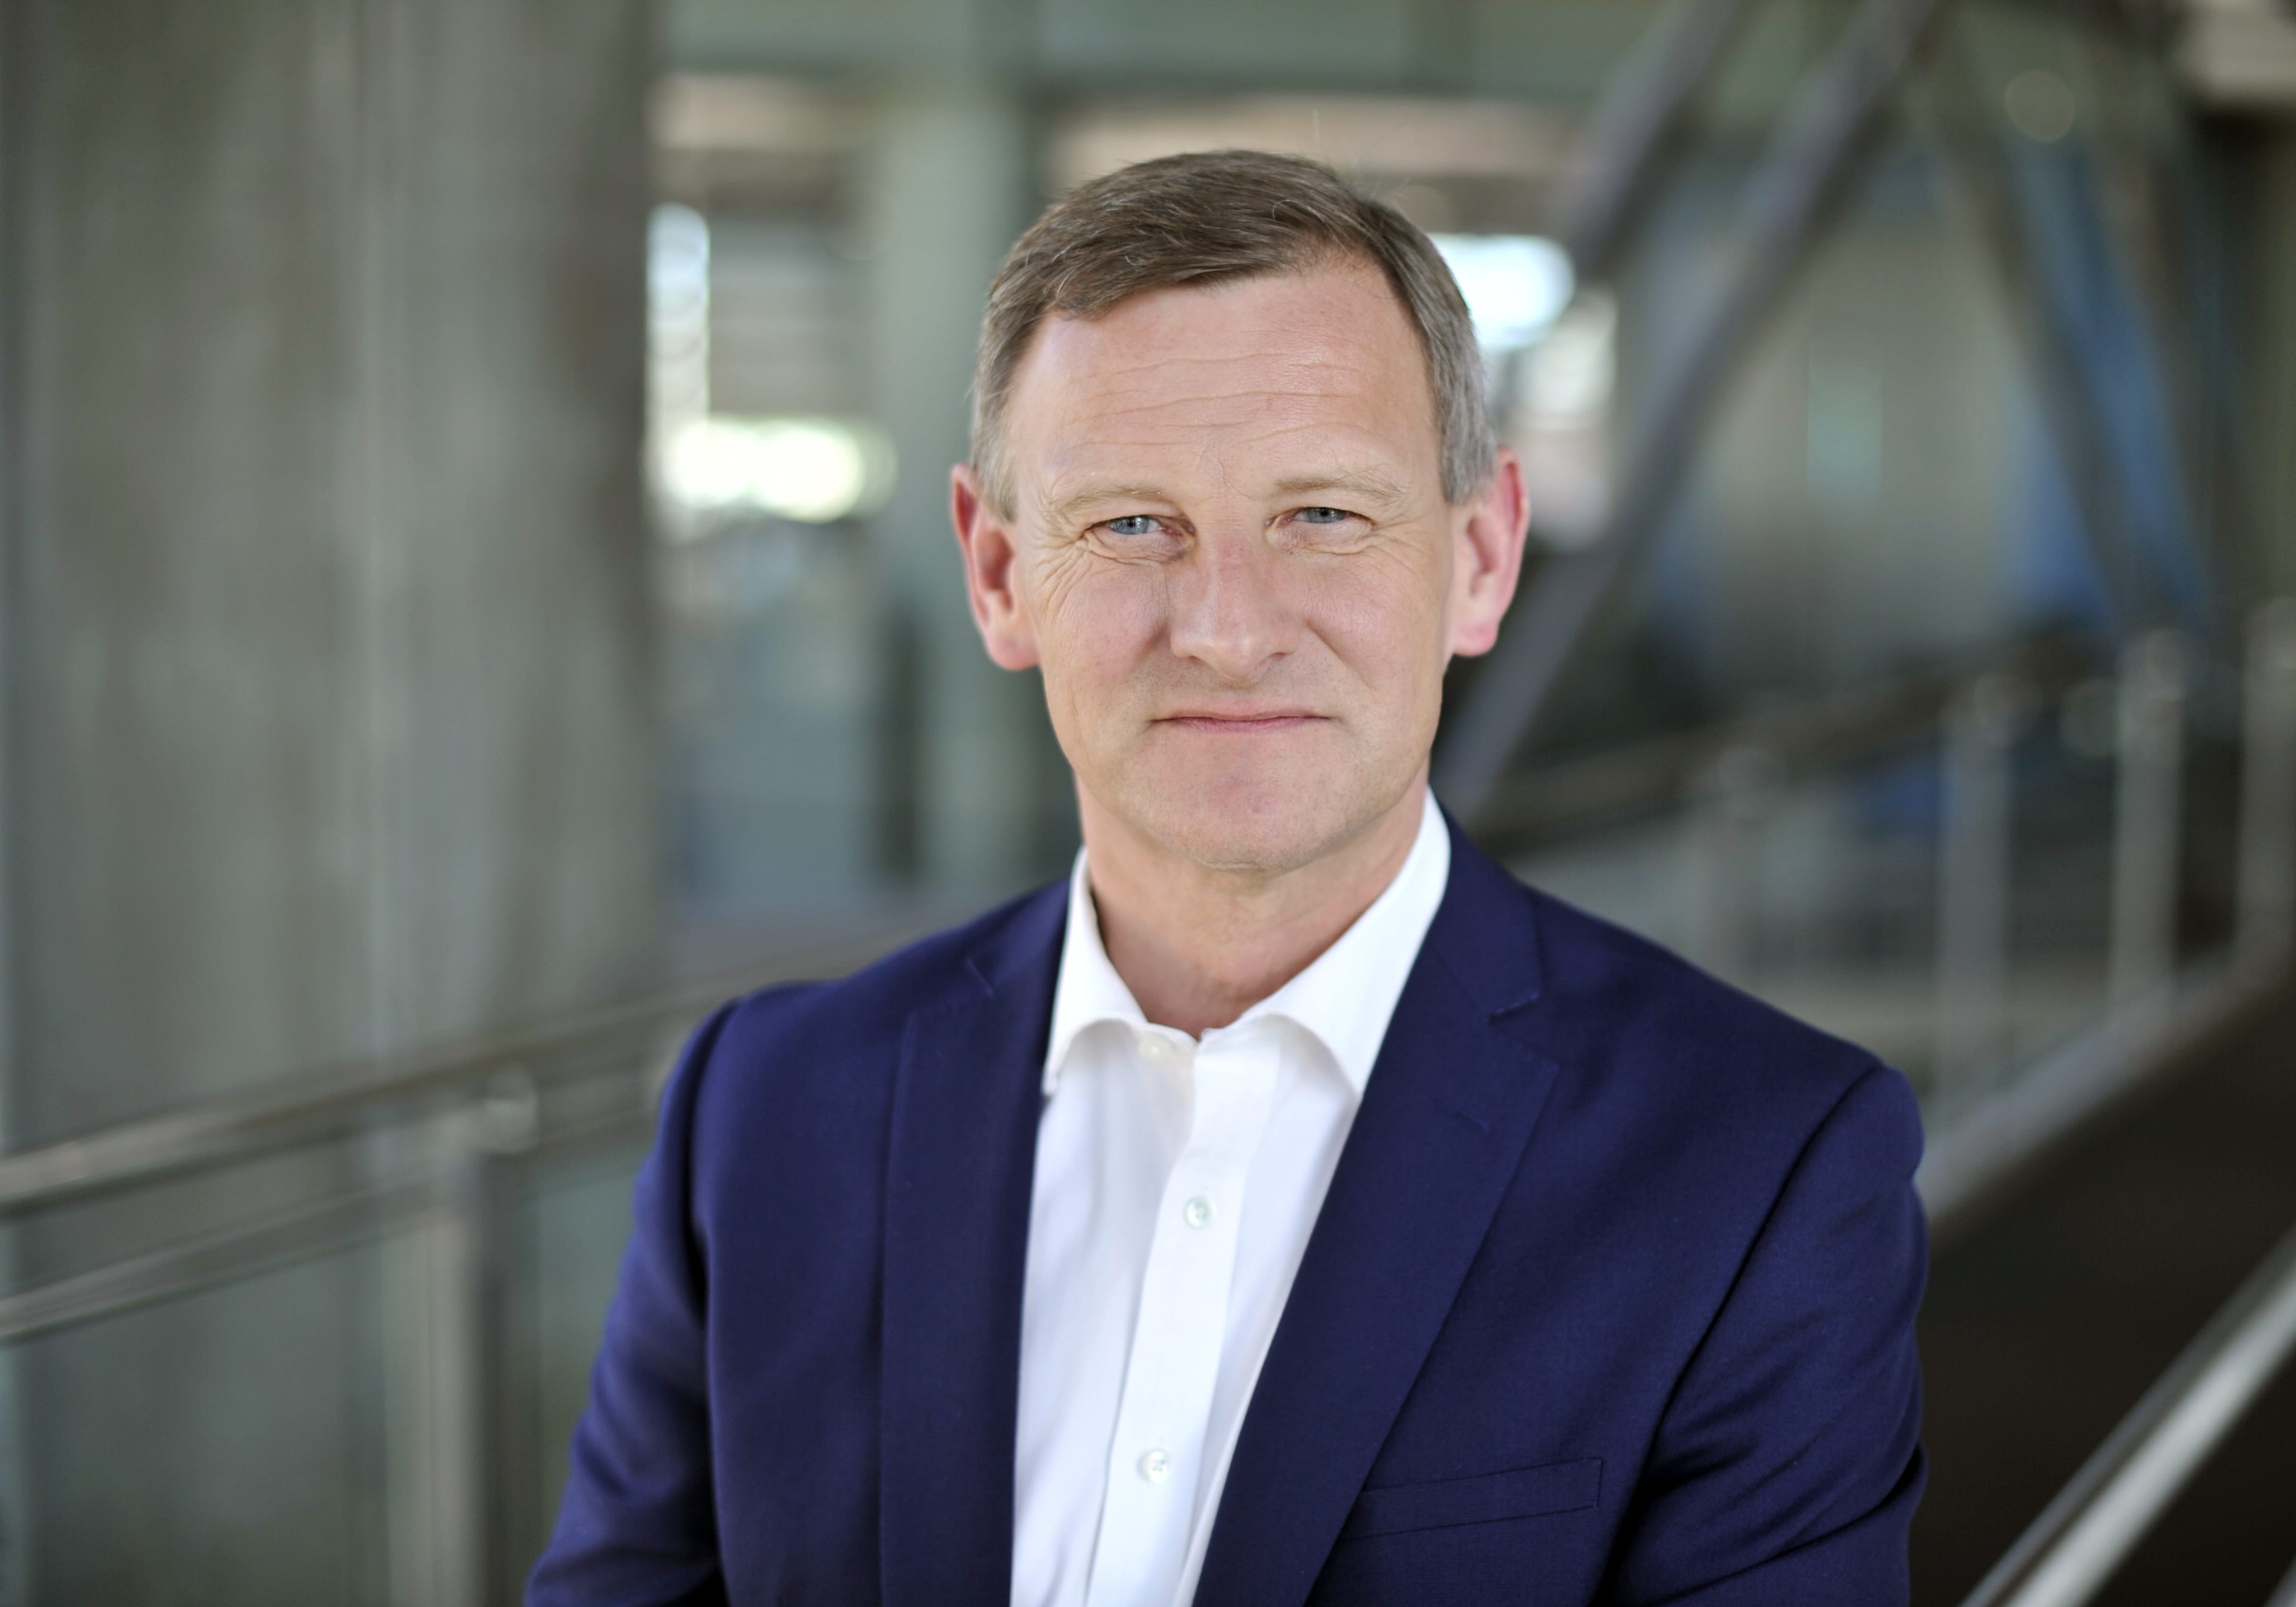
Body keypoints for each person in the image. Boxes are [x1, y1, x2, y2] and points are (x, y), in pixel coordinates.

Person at [530, 150, 1924, 1606]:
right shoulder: (760, 1118)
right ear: (1000, 573)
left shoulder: (1760, 1166)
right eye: (1131, 523)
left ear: (1482, 557)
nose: (1225, 626)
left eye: (1323, 514)